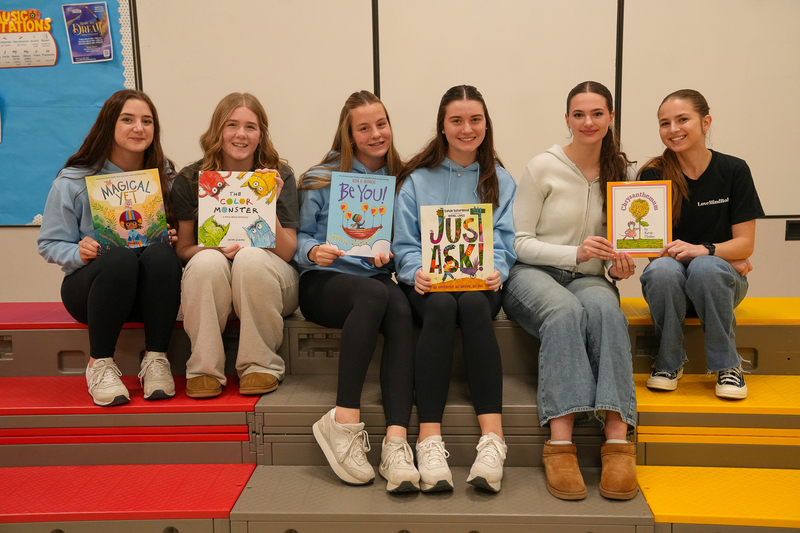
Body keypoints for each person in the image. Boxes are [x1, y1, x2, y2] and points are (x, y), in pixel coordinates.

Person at [502, 81, 639, 501]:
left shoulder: (624, 176)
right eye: (578, 114)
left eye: (597, 113)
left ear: (611, 117)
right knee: (565, 312)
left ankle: (617, 437)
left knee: (606, 312)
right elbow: (517, 241)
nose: (588, 122)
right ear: (567, 120)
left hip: (591, 278)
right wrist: (573, 253)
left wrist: (620, 265)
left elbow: (624, 243)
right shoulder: (542, 166)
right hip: (532, 274)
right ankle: (560, 443)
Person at [393, 85, 516, 493]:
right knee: (444, 306)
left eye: (475, 119)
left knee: (477, 307)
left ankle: (492, 442)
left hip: (482, 283)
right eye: (457, 120)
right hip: (429, 284)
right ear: (442, 127)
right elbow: (404, 244)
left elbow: (506, 239)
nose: (467, 128)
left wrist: (498, 268)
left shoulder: (501, 179)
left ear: (486, 124)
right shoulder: (416, 179)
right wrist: (414, 272)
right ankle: (429, 439)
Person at [295, 90, 419, 492]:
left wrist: (395, 258)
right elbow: (295, 237)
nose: (375, 133)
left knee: (399, 307)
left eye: (381, 124)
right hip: (323, 283)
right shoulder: (320, 177)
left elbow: (411, 244)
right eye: (363, 127)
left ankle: (396, 442)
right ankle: (343, 419)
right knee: (375, 296)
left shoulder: (403, 180)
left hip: (377, 281)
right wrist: (313, 249)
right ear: (348, 135)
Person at [38, 89, 182, 407]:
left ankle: (156, 359)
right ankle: (99, 364)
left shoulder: (166, 176)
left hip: (149, 294)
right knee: (118, 258)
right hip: (94, 289)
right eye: (127, 119)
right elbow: (48, 244)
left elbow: (176, 239)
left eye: (147, 121)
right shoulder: (74, 180)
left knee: (161, 254)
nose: (139, 128)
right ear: (109, 125)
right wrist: (79, 251)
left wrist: (170, 237)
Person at [172, 93, 299, 399]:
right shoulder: (190, 179)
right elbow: (184, 249)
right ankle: (204, 368)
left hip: (271, 278)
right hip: (214, 279)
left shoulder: (279, 175)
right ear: (218, 130)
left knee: (251, 258)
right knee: (205, 262)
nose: (241, 134)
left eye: (250, 127)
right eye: (232, 125)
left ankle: (261, 365)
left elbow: (287, 251)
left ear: (261, 135)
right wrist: (214, 248)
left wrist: (268, 200)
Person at [639, 89, 763, 400]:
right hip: (671, 286)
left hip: (718, 286)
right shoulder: (653, 174)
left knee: (707, 267)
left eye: (683, 120)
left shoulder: (734, 170)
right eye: (664, 123)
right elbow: (653, 251)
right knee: (664, 269)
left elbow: (745, 245)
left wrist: (705, 252)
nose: (673, 129)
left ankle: (728, 366)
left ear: (705, 122)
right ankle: (669, 364)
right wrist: (720, 256)